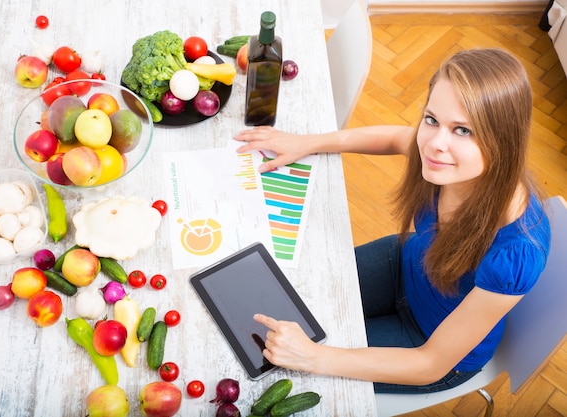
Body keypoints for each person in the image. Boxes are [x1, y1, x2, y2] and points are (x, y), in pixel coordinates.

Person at [233, 48, 552, 394]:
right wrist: (307, 143)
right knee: (286, 298)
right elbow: (395, 137)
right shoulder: (438, 153)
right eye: (432, 119)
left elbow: (430, 363)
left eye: (463, 130)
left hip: (425, 343)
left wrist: (314, 357)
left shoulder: (517, 252)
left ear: (503, 141)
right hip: (403, 264)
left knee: (284, 366)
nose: (434, 144)